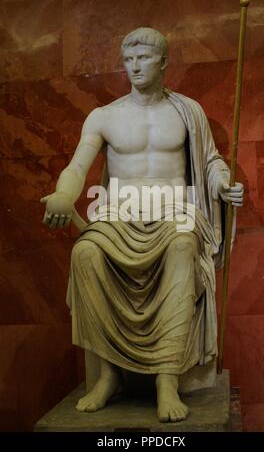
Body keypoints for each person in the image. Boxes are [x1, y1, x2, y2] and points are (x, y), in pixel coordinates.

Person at [40, 28, 243, 423]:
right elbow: (77, 166)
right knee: (85, 252)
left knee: (184, 246)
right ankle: (108, 376)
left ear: (163, 62)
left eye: (144, 58)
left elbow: (209, 160)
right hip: (119, 215)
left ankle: (166, 379)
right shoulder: (105, 116)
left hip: (174, 212)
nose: (134, 66)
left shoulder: (188, 111)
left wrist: (222, 183)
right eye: (128, 59)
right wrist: (64, 194)